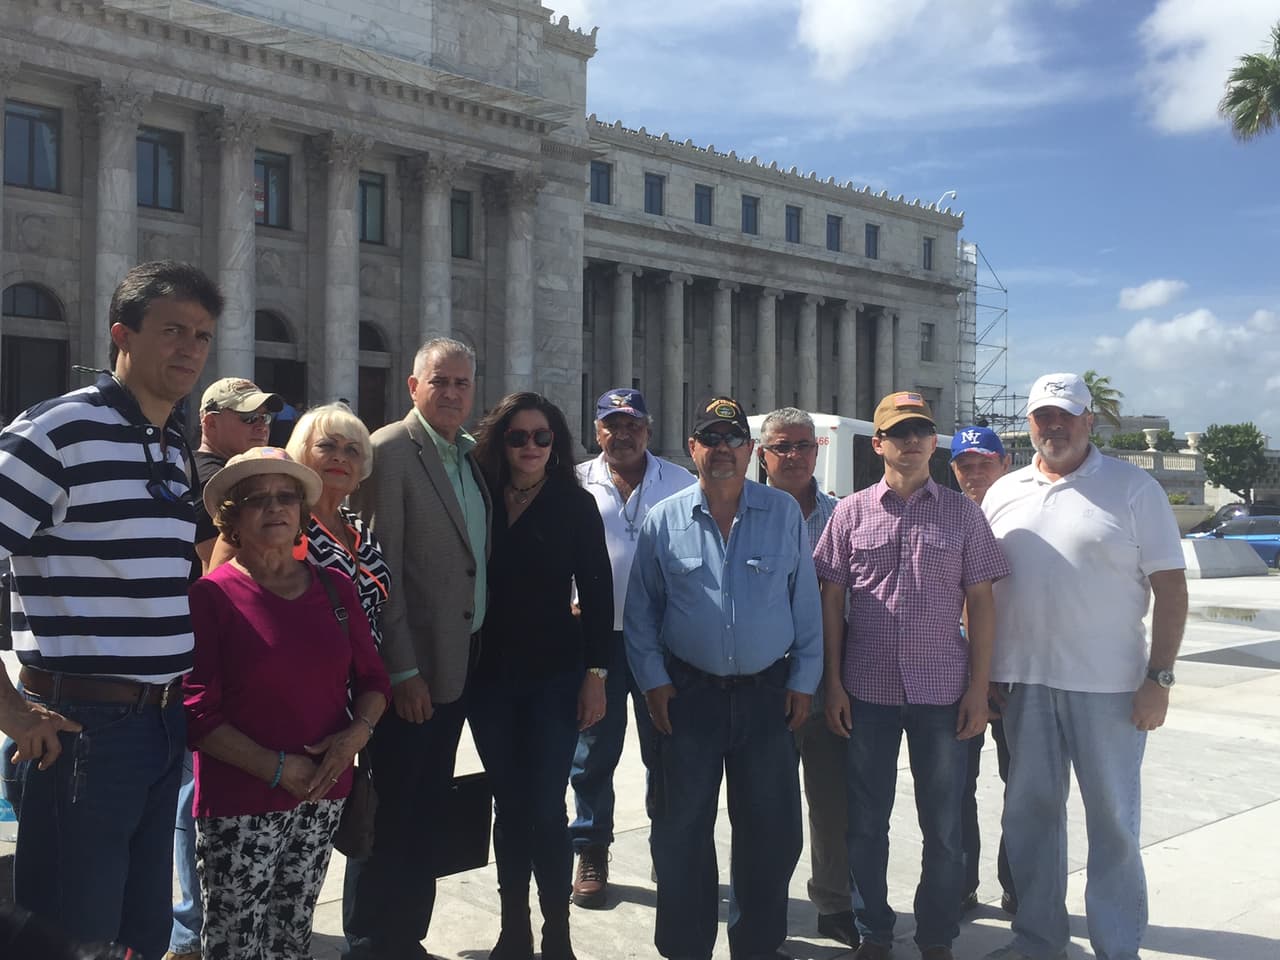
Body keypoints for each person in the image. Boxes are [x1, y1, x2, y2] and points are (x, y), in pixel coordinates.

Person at [0, 260, 221, 959]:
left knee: (137, 937)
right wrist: (9, 710)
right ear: (122, 335)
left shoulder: (171, 444)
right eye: (173, 330)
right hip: (82, 728)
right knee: (74, 937)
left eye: (202, 336)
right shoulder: (56, 433)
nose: (190, 349)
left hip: (161, 724)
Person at [981, 374, 1188, 960]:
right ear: (1029, 423)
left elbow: (1172, 590)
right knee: (1030, 820)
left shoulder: (1133, 488)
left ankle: (1116, 948)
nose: (1055, 426)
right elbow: (983, 589)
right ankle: (1039, 942)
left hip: (1111, 689)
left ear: (1088, 420)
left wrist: (1159, 679)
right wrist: (986, 671)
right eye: (1043, 416)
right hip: (1024, 684)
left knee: (1113, 824)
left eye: (1066, 414)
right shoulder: (1004, 492)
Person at [813, 391, 1009, 960]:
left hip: (942, 693)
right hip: (866, 691)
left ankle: (936, 934)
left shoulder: (963, 514)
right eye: (900, 432)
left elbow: (981, 602)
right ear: (879, 444)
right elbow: (831, 601)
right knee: (866, 822)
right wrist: (833, 683)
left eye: (921, 430)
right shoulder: (850, 513)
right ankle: (874, 929)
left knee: (944, 827)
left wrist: (979, 689)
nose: (913, 441)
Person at [626, 395, 822, 960]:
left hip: (767, 695)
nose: (722, 449)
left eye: (733, 439)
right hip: (689, 696)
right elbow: (641, 613)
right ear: (692, 449)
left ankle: (757, 945)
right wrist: (654, 682)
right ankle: (685, 947)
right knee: (680, 830)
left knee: (769, 831)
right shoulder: (664, 520)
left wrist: (804, 679)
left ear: (750, 450)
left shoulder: (782, 514)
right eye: (710, 439)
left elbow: (805, 604)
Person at [186, 446, 390, 960]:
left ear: (302, 511)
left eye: (286, 497)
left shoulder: (336, 587)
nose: (275, 507)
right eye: (257, 499)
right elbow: (196, 712)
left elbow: (374, 681)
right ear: (232, 518)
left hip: (323, 793)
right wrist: (279, 769)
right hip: (241, 801)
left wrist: (354, 736)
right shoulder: (210, 596)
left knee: (292, 939)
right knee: (234, 945)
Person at [347, 337, 492, 960]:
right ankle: (369, 941)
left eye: (462, 382)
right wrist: (402, 671)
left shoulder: (468, 457)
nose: (452, 392)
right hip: (413, 671)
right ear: (414, 387)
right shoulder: (389, 451)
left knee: (425, 805)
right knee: (390, 807)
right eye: (440, 381)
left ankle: (406, 937)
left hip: (457, 665)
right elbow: (382, 575)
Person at [469, 392, 613, 960]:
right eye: (518, 436)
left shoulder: (574, 504)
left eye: (542, 436)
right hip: (489, 677)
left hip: (554, 675)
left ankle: (557, 934)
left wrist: (596, 674)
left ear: (556, 444)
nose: (530, 446)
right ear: (501, 442)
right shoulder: (480, 495)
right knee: (508, 805)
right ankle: (514, 930)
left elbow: (598, 594)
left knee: (547, 807)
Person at [165, 375, 282, 960]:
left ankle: (198, 923)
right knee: (196, 791)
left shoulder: (226, 472)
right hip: (205, 651)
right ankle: (190, 929)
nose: (261, 427)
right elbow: (220, 568)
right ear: (209, 420)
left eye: (265, 418)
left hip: (213, 648)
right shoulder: (211, 478)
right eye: (248, 417)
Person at [569, 387, 695, 909]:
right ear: (596, 430)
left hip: (660, 640)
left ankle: (669, 849)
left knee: (664, 747)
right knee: (592, 750)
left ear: (648, 428)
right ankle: (591, 848)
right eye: (612, 425)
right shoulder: (576, 480)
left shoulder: (680, 481)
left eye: (632, 425)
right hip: (594, 639)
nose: (622, 434)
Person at [285, 401, 392, 941]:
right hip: (295, 711)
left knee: (310, 865)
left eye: (353, 449)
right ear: (302, 451)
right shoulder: (283, 522)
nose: (341, 457)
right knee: (274, 859)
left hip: (355, 710)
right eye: (327, 444)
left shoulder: (358, 529)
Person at [756, 407, 855, 948]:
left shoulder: (842, 516)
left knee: (833, 802)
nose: (792, 456)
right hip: (769, 683)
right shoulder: (745, 513)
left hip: (830, 682)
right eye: (781, 447)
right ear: (762, 455)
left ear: (817, 452)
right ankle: (766, 907)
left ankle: (835, 903)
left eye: (802, 446)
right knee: (769, 807)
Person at [948, 426, 1017, 918]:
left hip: (1017, 669)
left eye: (984, 462)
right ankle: (961, 882)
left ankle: (1017, 883)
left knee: (1022, 783)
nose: (975, 472)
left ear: (1005, 462)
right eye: (965, 464)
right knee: (956, 786)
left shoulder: (1022, 511)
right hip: (959, 674)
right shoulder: (946, 515)